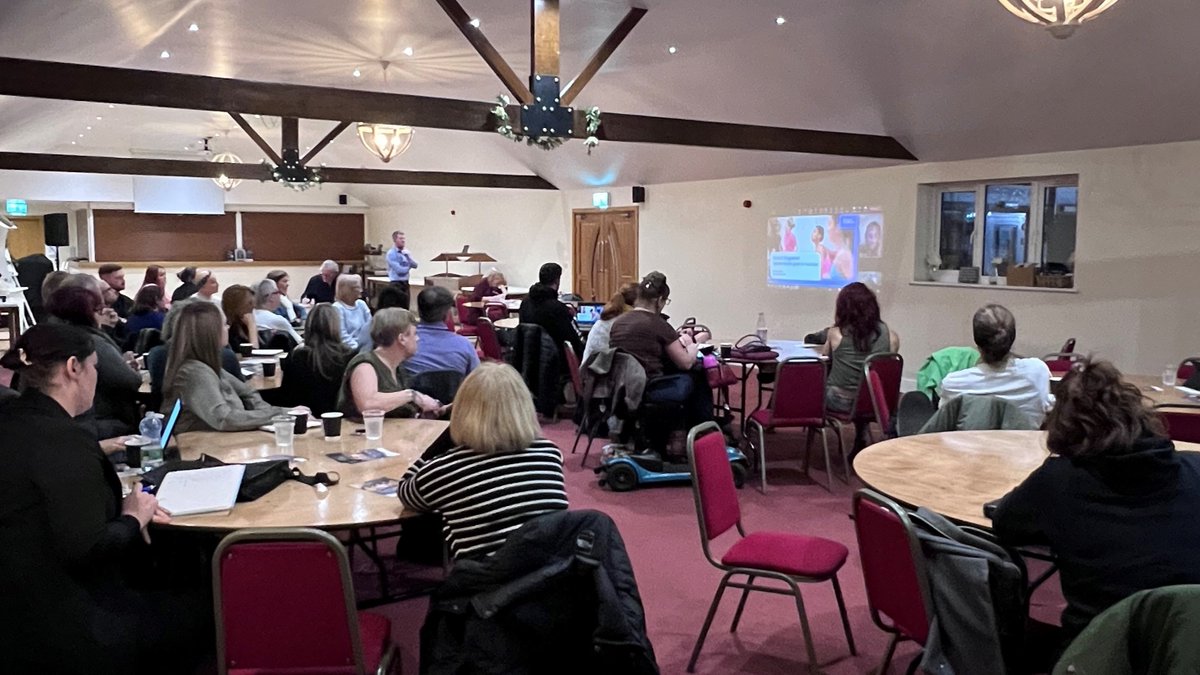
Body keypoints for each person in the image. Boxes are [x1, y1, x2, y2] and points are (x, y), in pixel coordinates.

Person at [0, 324, 209, 674]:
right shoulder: (65, 439)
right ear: (73, 368)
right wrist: (133, 516)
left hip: (18, 612)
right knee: (212, 605)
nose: (96, 376)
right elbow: (87, 548)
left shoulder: (13, 420)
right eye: (94, 366)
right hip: (69, 627)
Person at [992, 358, 1200, 645]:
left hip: (1099, 651)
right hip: (1188, 649)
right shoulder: (1195, 469)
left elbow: (1005, 523)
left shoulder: (1058, 481)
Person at [397, 362, 569, 561]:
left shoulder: (447, 469)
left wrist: (442, 440)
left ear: (461, 411)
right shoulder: (550, 453)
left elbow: (406, 493)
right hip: (554, 576)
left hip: (489, 584)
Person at [162, 302, 294, 433]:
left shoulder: (207, 367)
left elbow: (248, 392)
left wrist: (266, 413)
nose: (228, 327)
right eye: (224, 324)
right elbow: (224, 419)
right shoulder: (194, 373)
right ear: (210, 331)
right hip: (200, 447)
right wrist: (280, 414)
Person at [609, 271, 712, 428]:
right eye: (665, 301)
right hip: (648, 387)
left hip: (620, 388)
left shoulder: (618, 323)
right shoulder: (657, 323)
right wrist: (692, 345)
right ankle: (703, 430)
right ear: (658, 300)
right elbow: (685, 363)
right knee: (696, 372)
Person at [46, 285, 141, 438]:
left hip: (61, 423)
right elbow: (129, 381)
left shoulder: (51, 335)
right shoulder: (91, 342)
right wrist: (131, 369)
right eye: (99, 308)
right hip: (100, 420)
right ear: (90, 313)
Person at [938, 304, 1053, 425]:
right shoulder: (1037, 372)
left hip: (973, 443)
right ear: (1012, 338)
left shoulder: (953, 384)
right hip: (1023, 443)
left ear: (977, 340)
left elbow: (944, 425)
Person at [337, 307, 442, 420]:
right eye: (414, 333)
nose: (417, 339)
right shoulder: (365, 365)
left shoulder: (398, 368)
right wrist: (412, 395)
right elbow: (367, 405)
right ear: (402, 339)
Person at [819, 281, 900, 415]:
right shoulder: (892, 337)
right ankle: (861, 430)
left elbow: (824, 358)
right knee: (865, 390)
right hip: (875, 400)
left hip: (839, 399)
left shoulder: (835, 334)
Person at [279, 304, 353, 414]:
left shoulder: (297, 356)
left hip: (305, 416)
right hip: (340, 417)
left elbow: (287, 395)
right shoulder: (348, 355)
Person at [404, 286, 479, 380]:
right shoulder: (465, 345)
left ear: (419, 311)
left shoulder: (403, 344)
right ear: (448, 314)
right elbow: (476, 381)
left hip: (410, 393)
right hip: (454, 393)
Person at [518, 262, 582, 356]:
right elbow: (573, 340)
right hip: (555, 362)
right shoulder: (557, 308)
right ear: (557, 281)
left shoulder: (525, 302)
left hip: (528, 357)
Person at [582, 282, 638, 364]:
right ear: (636, 303)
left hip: (590, 370)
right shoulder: (624, 322)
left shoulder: (611, 317)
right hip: (599, 372)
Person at [253, 278, 304, 347]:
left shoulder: (250, 317)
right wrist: (289, 307)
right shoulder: (277, 320)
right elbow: (300, 344)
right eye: (278, 292)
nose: (281, 295)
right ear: (270, 297)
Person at [334, 273, 372, 351]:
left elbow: (371, 326)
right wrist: (357, 349)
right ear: (347, 290)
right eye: (357, 288)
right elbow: (342, 335)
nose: (361, 290)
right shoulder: (337, 308)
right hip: (349, 350)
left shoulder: (362, 304)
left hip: (366, 348)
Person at [385, 230, 419, 310]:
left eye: (404, 238)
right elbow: (400, 271)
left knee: (406, 306)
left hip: (405, 283)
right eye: (400, 238)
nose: (403, 240)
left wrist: (408, 257)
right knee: (397, 307)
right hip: (396, 284)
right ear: (395, 240)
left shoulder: (406, 252)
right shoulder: (391, 253)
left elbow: (415, 265)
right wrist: (409, 266)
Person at [221, 284, 259, 351]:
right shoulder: (228, 330)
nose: (254, 306)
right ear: (237, 305)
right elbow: (252, 353)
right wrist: (252, 326)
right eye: (250, 303)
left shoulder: (243, 324)